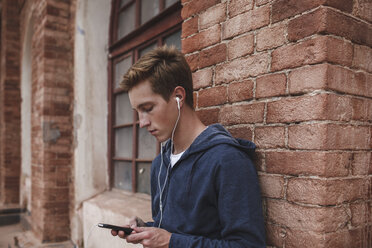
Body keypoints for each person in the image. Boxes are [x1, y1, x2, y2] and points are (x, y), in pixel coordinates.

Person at [111, 46, 266, 248]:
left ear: (179, 97)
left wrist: (170, 241)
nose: (142, 122)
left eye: (148, 109)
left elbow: (248, 245)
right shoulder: (160, 164)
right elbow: (179, 231)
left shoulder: (227, 161)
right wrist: (146, 229)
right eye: (137, 112)